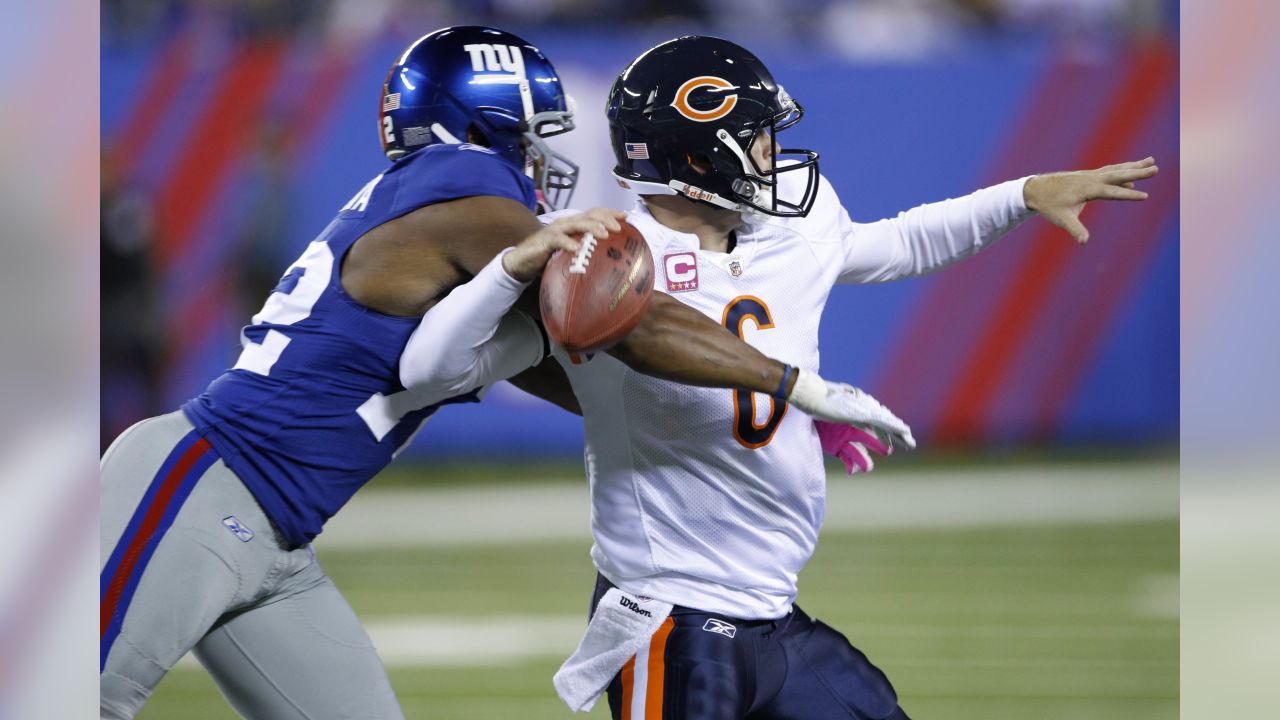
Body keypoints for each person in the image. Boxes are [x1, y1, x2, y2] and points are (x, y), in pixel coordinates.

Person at [98, 27, 910, 720]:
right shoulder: (473, 196)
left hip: (277, 537)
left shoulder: (433, 196)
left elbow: (579, 367)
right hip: (203, 487)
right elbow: (635, 323)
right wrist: (791, 385)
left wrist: (731, 418)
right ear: (484, 124)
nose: (543, 154)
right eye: (530, 132)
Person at [400, 35, 1158, 719]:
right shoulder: (604, 264)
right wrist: (510, 276)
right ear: (697, 157)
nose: (773, 155)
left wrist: (1022, 195)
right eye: (756, 139)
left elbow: (893, 245)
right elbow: (448, 365)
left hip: (774, 610)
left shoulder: (793, 221)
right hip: (673, 615)